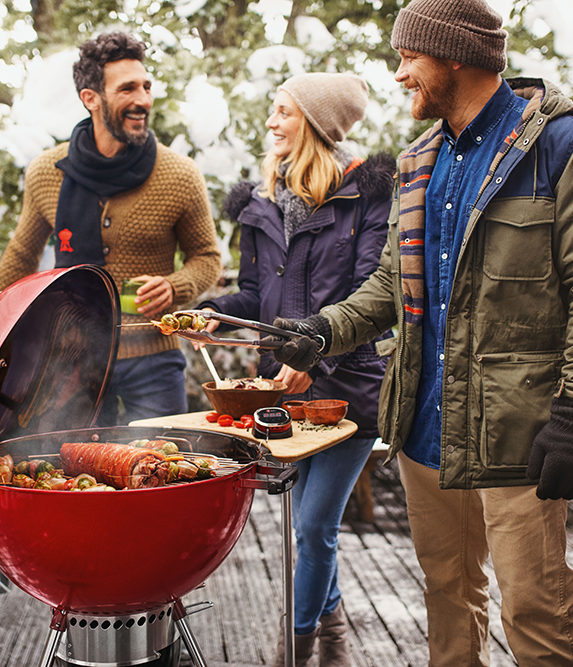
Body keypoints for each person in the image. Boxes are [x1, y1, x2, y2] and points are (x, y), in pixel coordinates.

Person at [264, 1, 573, 664]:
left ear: (455, 55)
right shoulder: (417, 162)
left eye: (410, 56)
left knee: (536, 612)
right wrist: (322, 331)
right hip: (425, 431)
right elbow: (389, 286)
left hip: (518, 436)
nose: (399, 72)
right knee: (448, 599)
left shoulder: (566, 149)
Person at [195, 72, 394, 667]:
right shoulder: (259, 207)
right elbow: (256, 297)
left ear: (315, 122)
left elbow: (370, 297)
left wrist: (319, 357)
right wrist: (210, 314)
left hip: (347, 390)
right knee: (310, 531)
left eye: (284, 111)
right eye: (273, 110)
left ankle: (294, 649)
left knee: (311, 528)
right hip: (281, 393)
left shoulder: (367, 197)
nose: (272, 122)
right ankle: (332, 641)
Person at [0, 31, 221, 426]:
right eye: (128, 88)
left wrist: (174, 286)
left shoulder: (180, 174)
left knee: (160, 470)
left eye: (147, 86)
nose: (144, 100)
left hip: (153, 359)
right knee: (72, 474)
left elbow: (207, 258)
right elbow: (21, 255)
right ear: (91, 99)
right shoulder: (47, 172)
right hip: (71, 360)